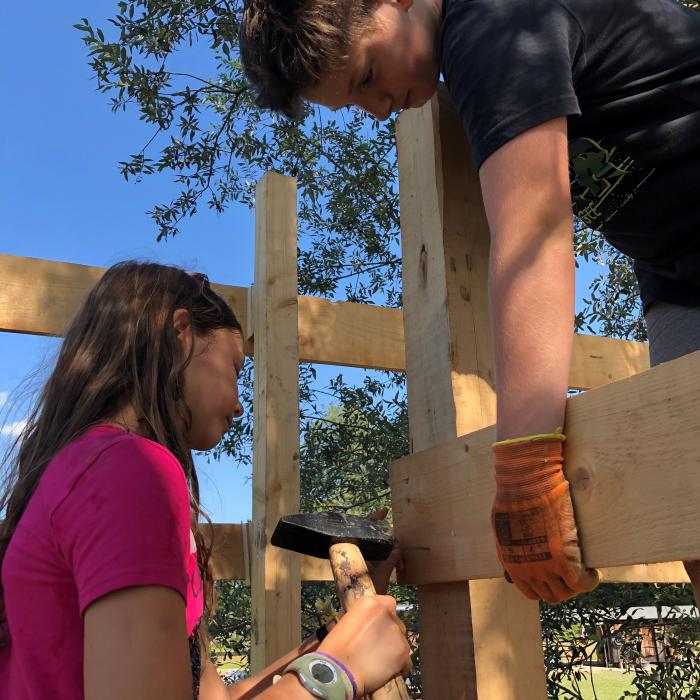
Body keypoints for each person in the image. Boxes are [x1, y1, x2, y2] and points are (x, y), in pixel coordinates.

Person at [239, 0, 700, 604]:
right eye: (355, 104)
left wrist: (526, 465)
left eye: (367, 78)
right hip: (676, 274)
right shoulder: (469, 53)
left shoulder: (493, 25)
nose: (378, 111)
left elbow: (532, 239)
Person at [0, 261, 411, 699]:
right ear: (181, 333)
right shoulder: (126, 469)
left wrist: (339, 639)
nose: (238, 406)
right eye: (235, 369)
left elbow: (218, 698)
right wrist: (337, 674)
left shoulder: (90, 470)